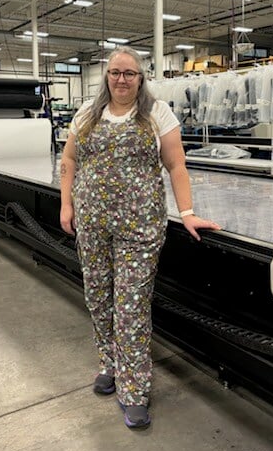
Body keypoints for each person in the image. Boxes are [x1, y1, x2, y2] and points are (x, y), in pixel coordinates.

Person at [60, 46, 221, 429]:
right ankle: (109, 364)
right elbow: (69, 160)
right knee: (98, 298)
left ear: (141, 78)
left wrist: (187, 213)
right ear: (107, 76)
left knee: (131, 307)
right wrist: (66, 205)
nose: (121, 79)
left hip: (140, 228)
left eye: (129, 73)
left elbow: (176, 164)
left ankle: (134, 390)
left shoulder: (156, 114)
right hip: (93, 224)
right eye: (115, 72)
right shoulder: (87, 113)